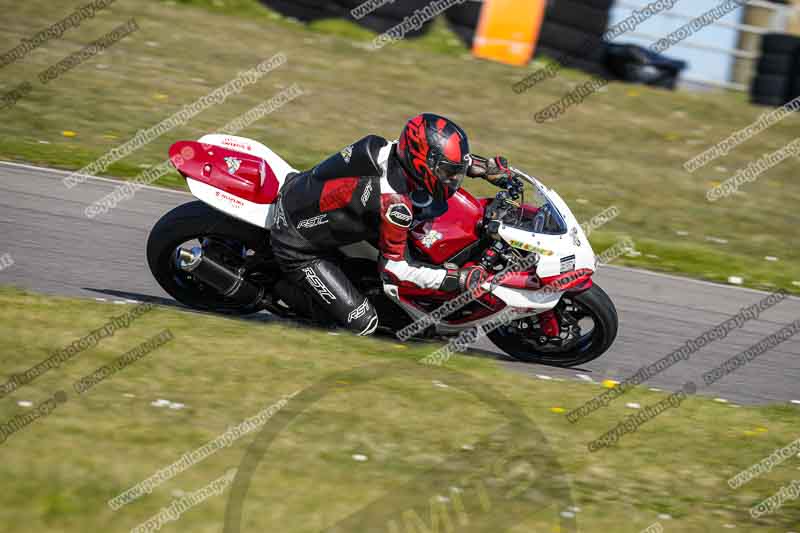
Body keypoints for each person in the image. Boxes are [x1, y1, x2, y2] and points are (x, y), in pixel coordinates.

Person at [269, 113, 513, 335]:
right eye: (449, 173)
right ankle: (286, 292)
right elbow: (396, 270)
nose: (453, 179)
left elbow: (434, 156)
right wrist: (458, 279)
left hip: (308, 195)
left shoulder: (389, 150)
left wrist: (483, 168)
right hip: (297, 243)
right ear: (422, 165)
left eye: (455, 172)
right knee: (363, 322)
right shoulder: (394, 204)